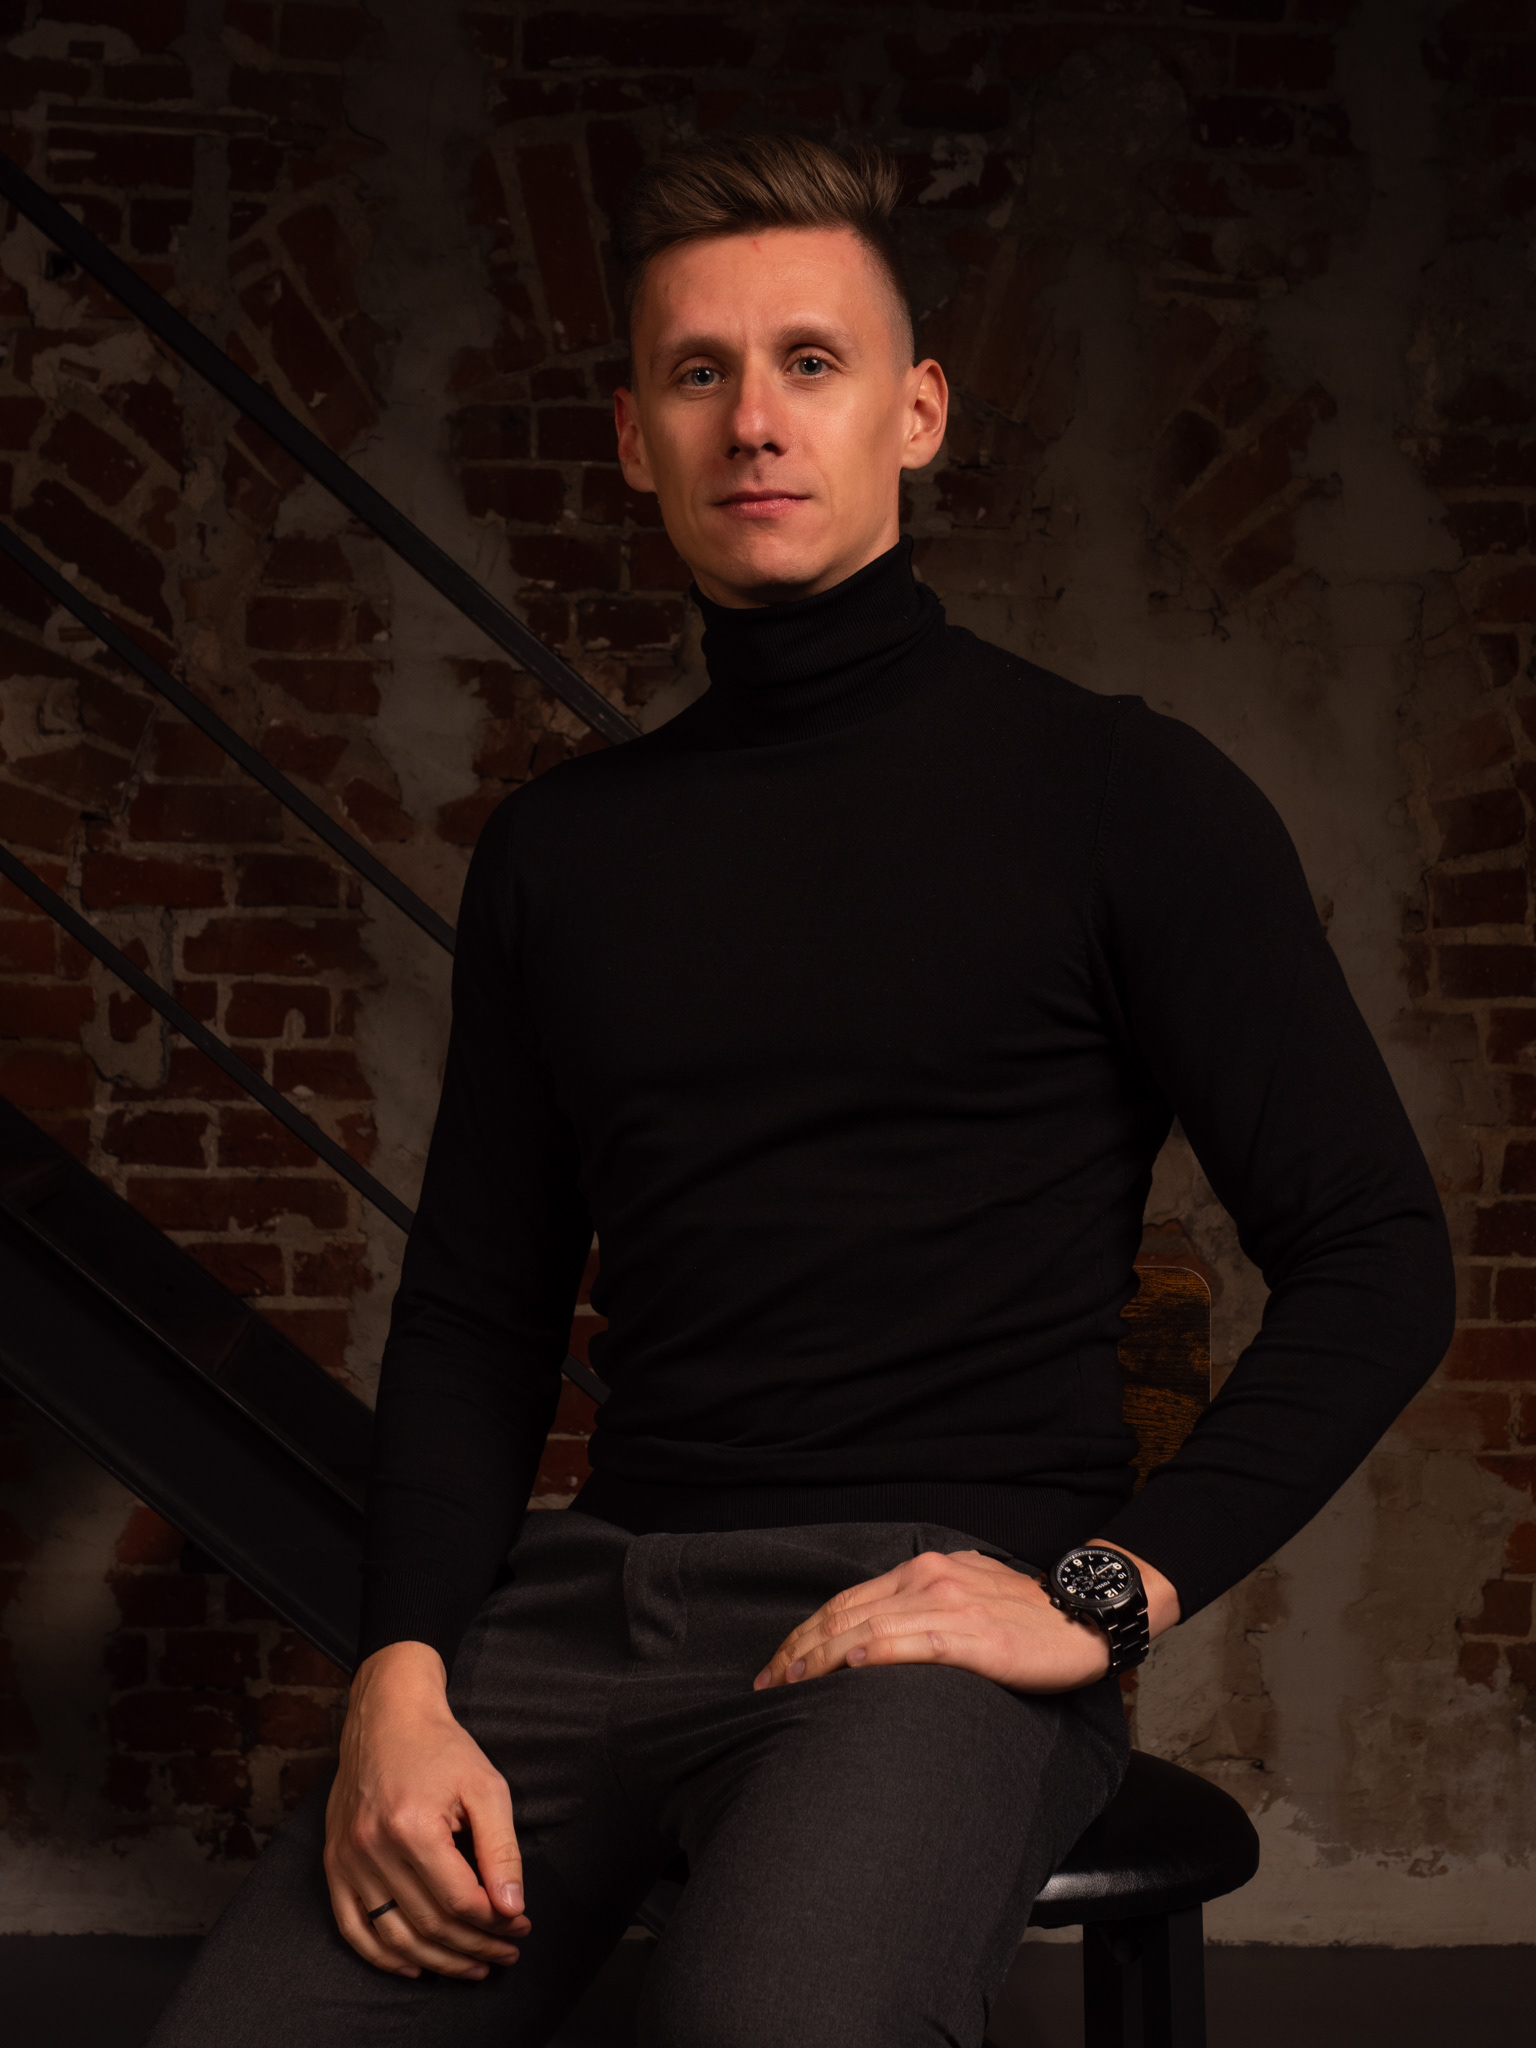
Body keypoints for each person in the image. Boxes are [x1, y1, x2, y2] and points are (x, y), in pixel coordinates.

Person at [152, 134, 1454, 2047]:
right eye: (700, 372)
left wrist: (1102, 1594)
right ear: (635, 439)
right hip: (583, 1614)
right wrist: (402, 1675)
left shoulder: (1122, 796)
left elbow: (1380, 1256)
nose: (754, 419)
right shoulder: (562, 854)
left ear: (916, 413)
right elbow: (479, 1313)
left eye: (812, 363)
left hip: (923, 1622)